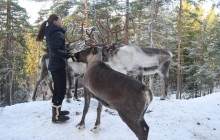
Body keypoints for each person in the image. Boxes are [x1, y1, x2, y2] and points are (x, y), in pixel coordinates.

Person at [36, 14, 71, 123]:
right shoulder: (57, 33)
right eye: (60, 19)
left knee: (58, 90)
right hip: (58, 65)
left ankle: (57, 112)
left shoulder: (52, 32)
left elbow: (54, 49)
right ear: (55, 21)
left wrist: (64, 53)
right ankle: (56, 117)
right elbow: (55, 51)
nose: (61, 21)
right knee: (60, 91)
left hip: (55, 65)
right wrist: (67, 55)